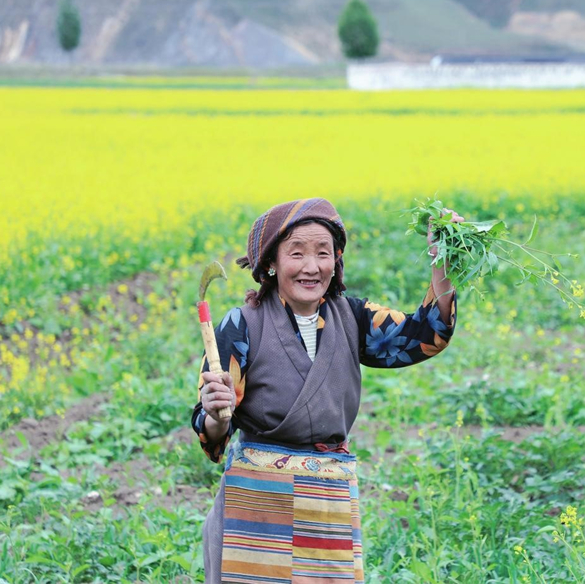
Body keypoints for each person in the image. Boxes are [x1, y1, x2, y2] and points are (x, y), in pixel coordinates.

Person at [192, 197, 461, 583]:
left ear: (336, 261)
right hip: (256, 509)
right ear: (270, 263)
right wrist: (217, 416)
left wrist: (442, 261)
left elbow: (427, 334)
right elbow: (212, 429)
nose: (311, 266)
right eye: (296, 253)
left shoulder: (353, 317)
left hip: (326, 504)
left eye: (323, 252)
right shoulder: (242, 325)